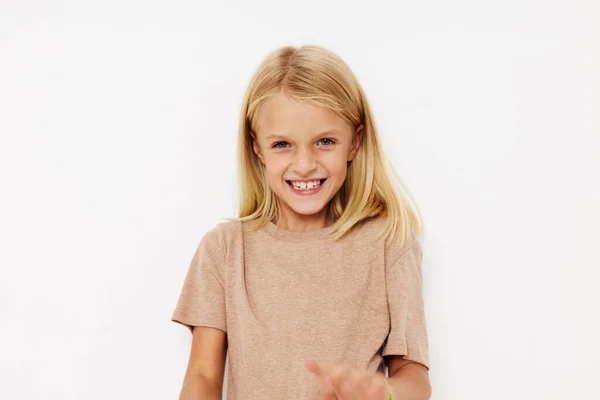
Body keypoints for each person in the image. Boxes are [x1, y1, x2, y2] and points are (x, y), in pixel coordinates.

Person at [171, 45, 432, 400]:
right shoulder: (225, 249)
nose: (305, 164)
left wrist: (382, 392)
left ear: (354, 143)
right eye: (282, 144)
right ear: (257, 148)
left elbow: (413, 376)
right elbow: (202, 375)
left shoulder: (389, 244)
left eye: (325, 141)